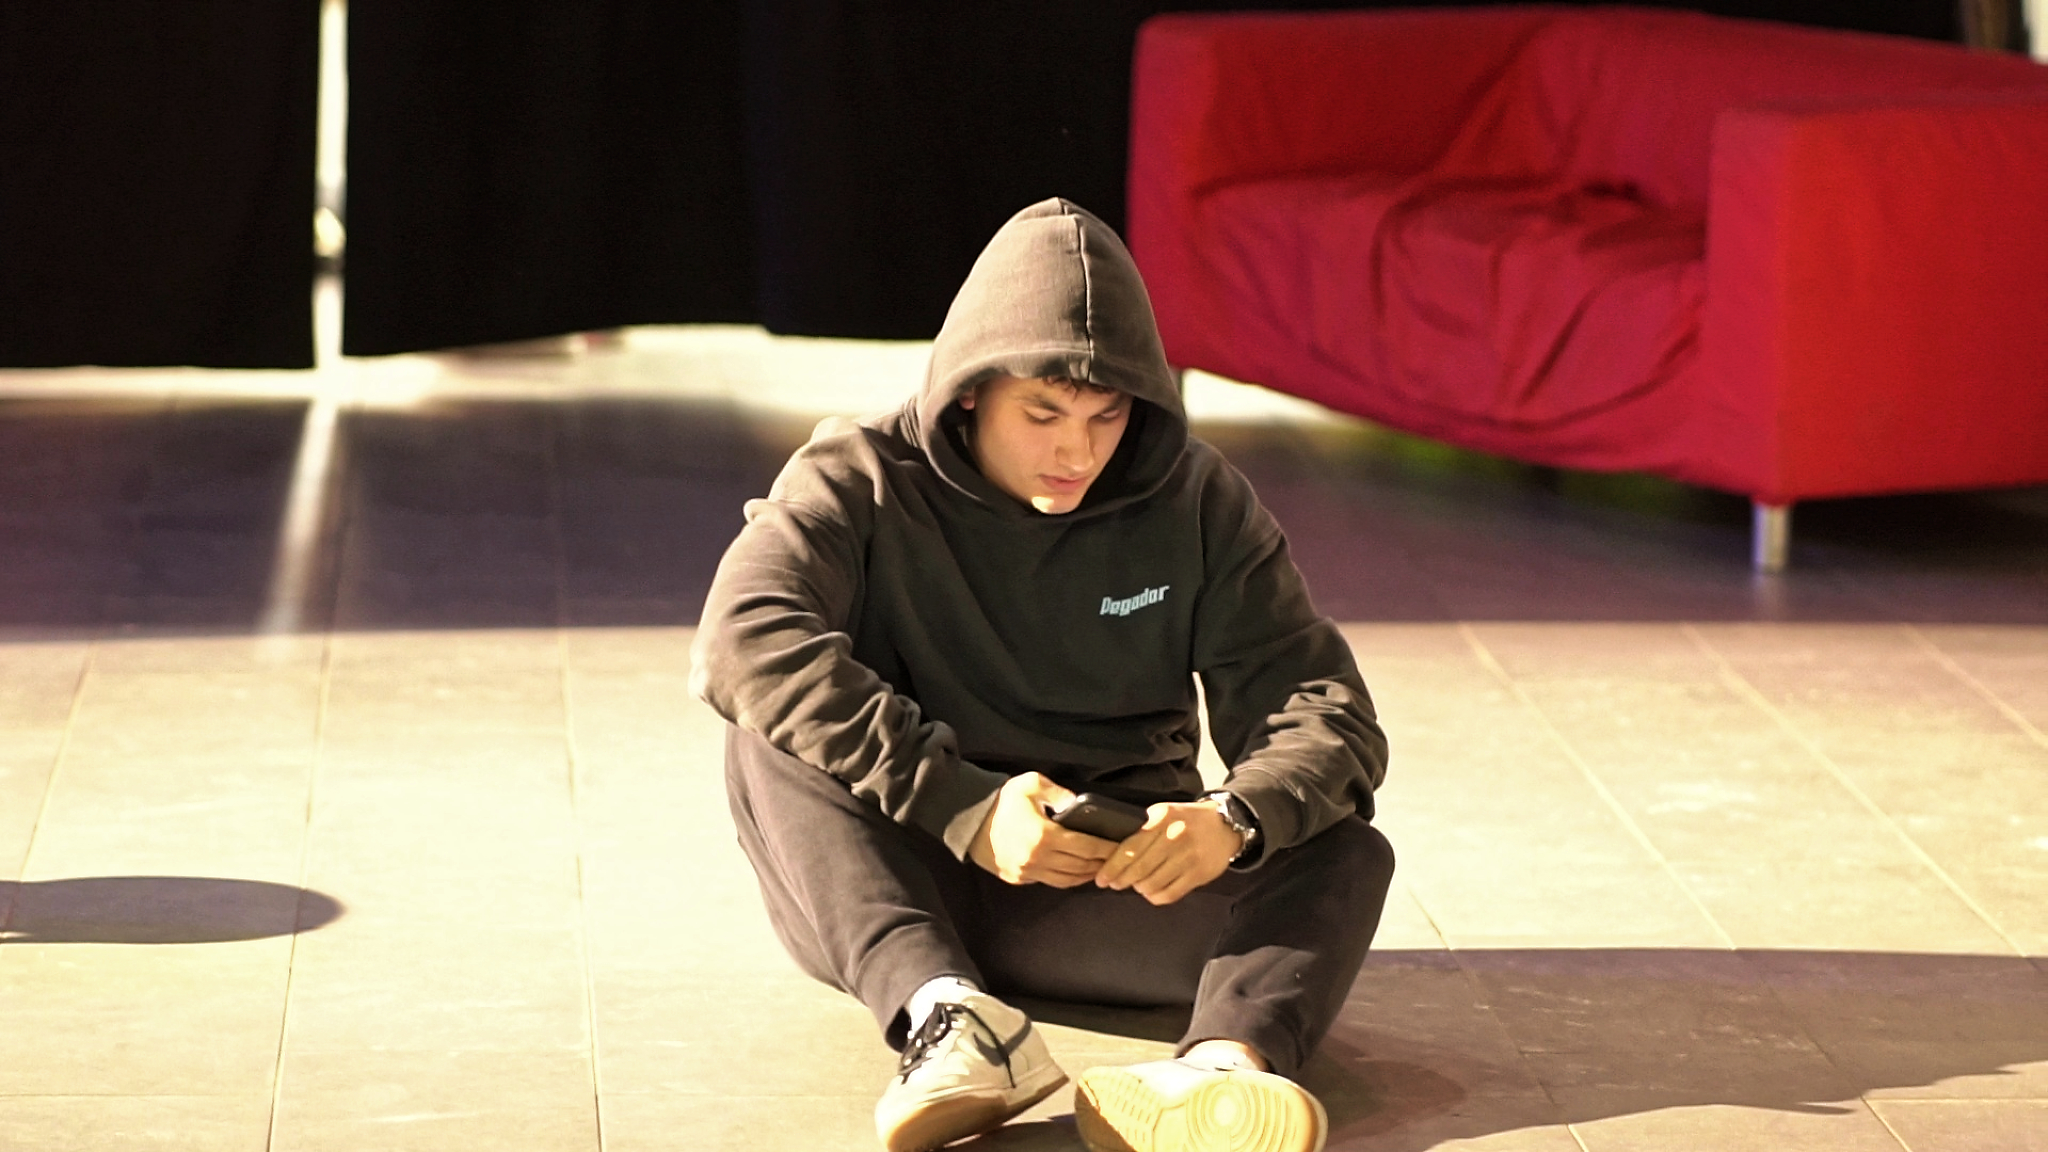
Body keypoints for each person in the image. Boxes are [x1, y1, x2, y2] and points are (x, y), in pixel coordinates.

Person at [691, 198, 1394, 1152]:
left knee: (1343, 847)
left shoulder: (1197, 498)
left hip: (1109, 885)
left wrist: (1231, 821)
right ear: (971, 392)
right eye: (1044, 413)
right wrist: (967, 807)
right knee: (770, 726)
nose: (1079, 451)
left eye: (1109, 416)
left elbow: (1323, 710)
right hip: (896, 878)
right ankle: (951, 1022)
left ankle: (1219, 1073)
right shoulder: (856, 475)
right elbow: (742, 637)